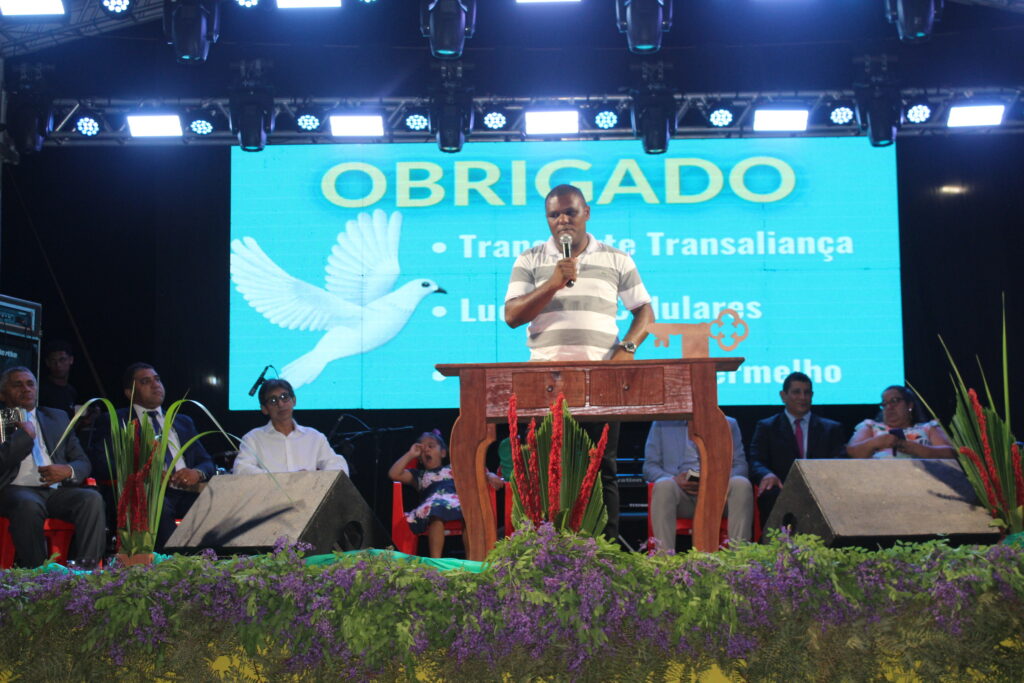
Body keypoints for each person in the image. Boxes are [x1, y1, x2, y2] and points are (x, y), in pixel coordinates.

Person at [504, 184, 655, 542]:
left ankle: (606, 553)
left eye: (570, 212)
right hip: (545, 380)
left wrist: (627, 349)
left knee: (601, 469)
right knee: (546, 469)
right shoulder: (530, 259)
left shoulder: (617, 258)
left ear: (586, 213)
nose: (562, 220)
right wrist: (553, 283)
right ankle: (548, 550)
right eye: (554, 215)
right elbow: (512, 316)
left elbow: (644, 313)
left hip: (601, 378)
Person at [91, 362, 217, 551]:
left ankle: (216, 562)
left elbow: (207, 461)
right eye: (145, 381)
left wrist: (196, 473)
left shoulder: (182, 421)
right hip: (146, 494)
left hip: (187, 491)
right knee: (156, 505)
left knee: (219, 501)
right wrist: (149, 473)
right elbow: (103, 463)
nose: (155, 385)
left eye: (157, 380)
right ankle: (173, 563)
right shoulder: (115, 420)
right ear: (129, 393)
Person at [0, 366, 104, 568]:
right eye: (17, 385)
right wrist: (24, 437)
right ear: (3, 394)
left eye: (30, 384)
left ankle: (87, 572)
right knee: (27, 505)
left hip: (56, 491)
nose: (26, 389)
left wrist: (67, 470)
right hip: (14, 490)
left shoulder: (57, 418)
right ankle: (39, 575)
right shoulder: (0, 420)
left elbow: (82, 461)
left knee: (91, 499)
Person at [748, 371, 848, 521]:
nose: (802, 397)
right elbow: (756, 461)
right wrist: (767, 474)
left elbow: (839, 461)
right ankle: (777, 537)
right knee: (770, 494)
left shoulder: (831, 429)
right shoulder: (767, 427)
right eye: (796, 392)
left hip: (821, 485)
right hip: (782, 486)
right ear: (783, 396)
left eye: (807, 393)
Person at [643, 418, 754, 551]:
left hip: (717, 497)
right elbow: (649, 467)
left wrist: (716, 481)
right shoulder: (662, 423)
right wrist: (675, 479)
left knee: (741, 484)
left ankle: (739, 557)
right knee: (663, 485)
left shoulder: (727, 423)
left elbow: (740, 466)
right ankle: (664, 559)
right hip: (682, 497)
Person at [388, 429, 502, 558]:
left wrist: (489, 474)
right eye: (423, 449)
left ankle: (472, 560)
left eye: (431, 446)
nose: (426, 450)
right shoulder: (419, 475)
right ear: (419, 458)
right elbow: (394, 474)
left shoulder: (453, 468)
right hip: (432, 506)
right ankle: (436, 561)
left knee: (470, 511)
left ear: (442, 453)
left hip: (457, 502)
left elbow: (476, 470)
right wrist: (411, 454)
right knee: (436, 511)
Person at [233, 378, 350, 475]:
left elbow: (338, 466)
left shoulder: (314, 437)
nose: (280, 404)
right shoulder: (253, 438)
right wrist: (282, 480)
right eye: (273, 400)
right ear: (264, 409)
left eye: (284, 397)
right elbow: (241, 469)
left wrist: (313, 477)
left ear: (294, 400)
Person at [847, 385, 956, 459]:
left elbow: (950, 453)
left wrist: (916, 449)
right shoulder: (871, 426)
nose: (889, 407)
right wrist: (875, 442)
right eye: (884, 404)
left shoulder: (928, 427)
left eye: (894, 401)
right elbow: (852, 452)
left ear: (909, 405)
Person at [37, 339, 78, 419]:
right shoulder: (41, 389)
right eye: (53, 361)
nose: (58, 365)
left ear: (71, 360)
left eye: (62, 360)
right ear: (47, 362)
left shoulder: (71, 392)